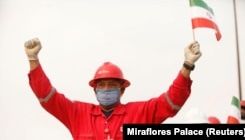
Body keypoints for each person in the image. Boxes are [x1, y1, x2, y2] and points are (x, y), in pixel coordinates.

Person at [24, 37, 202, 140]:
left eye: (112, 85)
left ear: (122, 89)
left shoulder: (141, 113)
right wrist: (33, 60)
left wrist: (187, 65)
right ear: (94, 90)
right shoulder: (77, 113)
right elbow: (47, 96)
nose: (106, 89)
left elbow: (172, 102)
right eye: (101, 85)